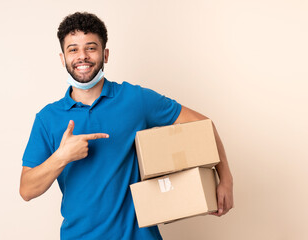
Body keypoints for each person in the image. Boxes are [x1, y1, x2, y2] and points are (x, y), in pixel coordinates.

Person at [20, 12, 233, 240]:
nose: (82, 56)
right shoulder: (47, 118)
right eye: (73, 49)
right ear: (63, 58)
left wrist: (226, 180)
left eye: (91, 48)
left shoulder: (135, 99)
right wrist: (62, 156)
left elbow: (204, 124)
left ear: (105, 54)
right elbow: (27, 190)